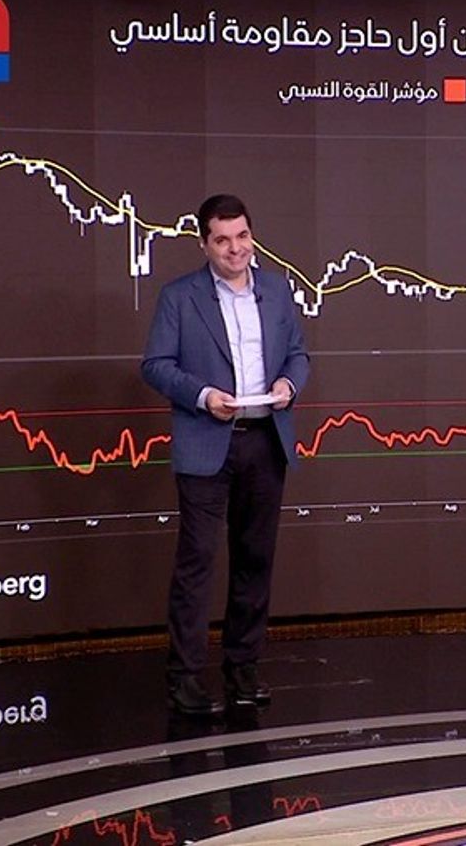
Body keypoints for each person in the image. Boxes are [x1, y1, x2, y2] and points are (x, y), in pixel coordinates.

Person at [142, 194, 309, 715]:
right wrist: (202, 395)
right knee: (197, 562)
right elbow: (155, 365)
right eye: (222, 240)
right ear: (204, 244)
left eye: (242, 237)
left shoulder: (277, 290)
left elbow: (298, 354)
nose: (235, 249)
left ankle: (243, 668)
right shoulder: (179, 297)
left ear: (251, 236)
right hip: (206, 441)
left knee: (255, 558)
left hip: (265, 439)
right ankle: (185, 678)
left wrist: (288, 384)